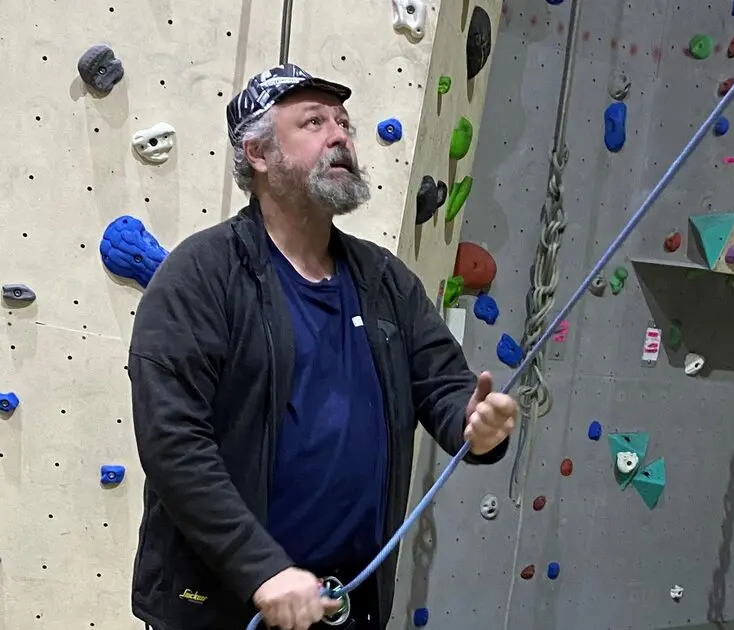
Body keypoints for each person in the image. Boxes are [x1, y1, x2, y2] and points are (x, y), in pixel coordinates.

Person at [127, 63, 518, 630]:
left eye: (343, 122)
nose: (339, 136)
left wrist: (475, 423)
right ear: (258, 154)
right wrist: (260, 569)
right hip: (224, 608)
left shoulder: (384, 278)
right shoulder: (202, 274)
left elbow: (444, 386)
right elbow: (173, 443)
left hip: (344, 606)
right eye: (313, 122)